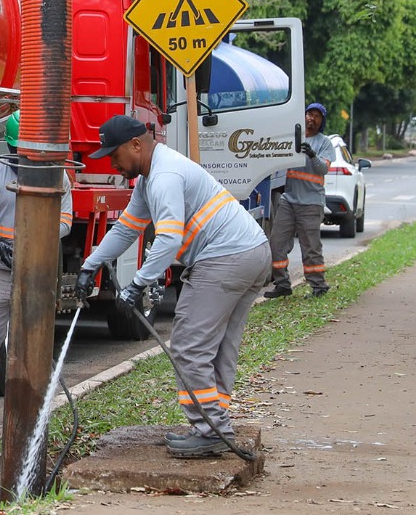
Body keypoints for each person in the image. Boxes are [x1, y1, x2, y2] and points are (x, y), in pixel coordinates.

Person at [74, 115, 270, 458]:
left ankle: (211, 431)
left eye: (114, 155)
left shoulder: (163, 176)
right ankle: (215, 425)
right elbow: (126, 230)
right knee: (219, 348)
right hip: (251, 252)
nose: (112, 163)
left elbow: (167, 239)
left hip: (226, 258)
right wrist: (90, 265)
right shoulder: (151, 178)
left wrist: (138, 283)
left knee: (188, 346)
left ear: (136, 145)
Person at [0, 112, 74, 425]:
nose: (20, 157)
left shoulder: (57, 176)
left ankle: (32, 396)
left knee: (34, 330)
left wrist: (38, 241)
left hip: (37, 265)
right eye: (16, 151)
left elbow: (65, 220)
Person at [264, 102, 334, 299]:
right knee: (277, 242)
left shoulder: (324, 143)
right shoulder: (294, 138)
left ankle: (318, 286)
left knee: (310, 247)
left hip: (311, 203)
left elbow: (323, 169)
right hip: (289, 200)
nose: (311, 118)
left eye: (317, 116)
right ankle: (282, 284)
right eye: (309, 114)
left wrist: (312, 155)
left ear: (322, 121)